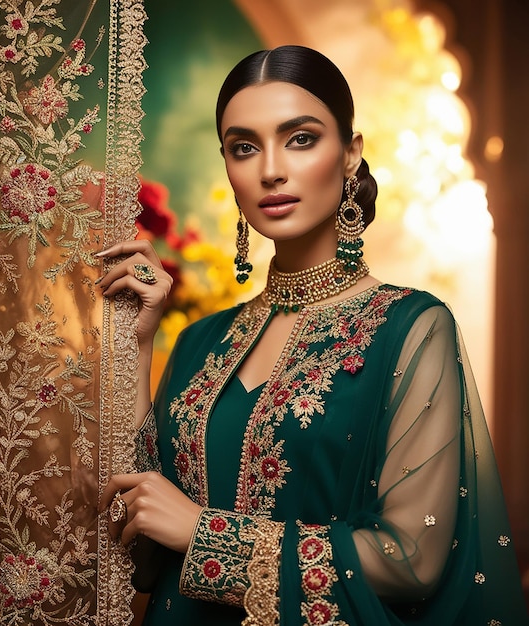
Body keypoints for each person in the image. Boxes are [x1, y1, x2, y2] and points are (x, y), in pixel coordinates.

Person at [95, 45, 528, 626]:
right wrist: (138, 345)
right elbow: (139, 548)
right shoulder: (201, 340)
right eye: (243, 147)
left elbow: (411, 558)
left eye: (300, 138)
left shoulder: (412, 327)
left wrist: (206, 534)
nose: (270, 168)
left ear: (350, 155)